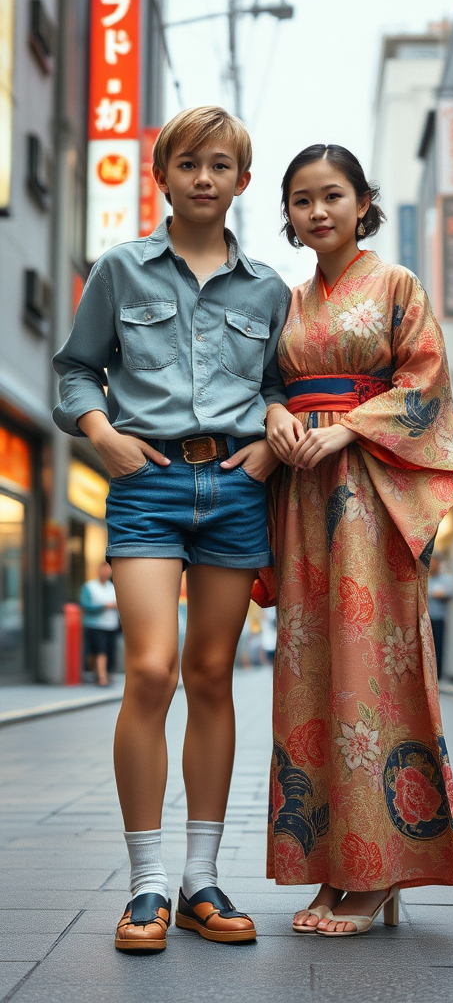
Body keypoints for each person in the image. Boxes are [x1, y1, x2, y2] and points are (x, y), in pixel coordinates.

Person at [53, 106, 290, 951]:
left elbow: (280, 386)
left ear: (242, 182)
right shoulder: (121, 269)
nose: (203, 177)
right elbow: (76, 369)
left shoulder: (268, 288)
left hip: (233, 486)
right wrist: (105, 437)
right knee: (151, 670)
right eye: (188, 162)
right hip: (146, 485)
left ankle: (201, 880)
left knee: (215, 675)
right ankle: (146, 885)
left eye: (220, 165)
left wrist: (269, 444)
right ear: (162, 174)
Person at [265, 144, 453, 937]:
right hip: (303, 499)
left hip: (370, 498)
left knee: (368, 670)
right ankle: (329, 867)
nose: (317, 212)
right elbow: (271, 383)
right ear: (286, 213)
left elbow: (425, 386)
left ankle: (377, 873)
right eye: (301, 200)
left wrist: (348, 426)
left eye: (332, 196)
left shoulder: (397, 285)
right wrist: (279, 414)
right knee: (309, 673)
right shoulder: (286, 300)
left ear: (362, 202)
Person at [80, 561, 119, 686]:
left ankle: (101, 674)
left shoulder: (112, 587)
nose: (107, 573)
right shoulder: (90, 586)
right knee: (100, 651)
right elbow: (85, 605)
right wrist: (104, 606)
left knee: (108, 651)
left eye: (108, 571)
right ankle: (102, 677)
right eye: (104, 570)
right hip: (95, 624)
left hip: (111, 624)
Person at [427, 554, 453, 679]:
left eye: (433, 562)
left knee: (438, 645)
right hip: (426, 618)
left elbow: (449, 594)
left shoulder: (447, 579)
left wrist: (436, 594)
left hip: (439, 617)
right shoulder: (425, 579)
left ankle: (437, 675)